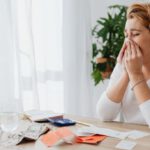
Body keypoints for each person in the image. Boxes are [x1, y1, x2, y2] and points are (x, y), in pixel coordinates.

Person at [96, 2, 150, 126]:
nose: (128, 41)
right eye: (126, 35)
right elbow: (104, 114)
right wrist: (127, 72)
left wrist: (136, 75)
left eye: (135, 34)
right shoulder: (125, 65)